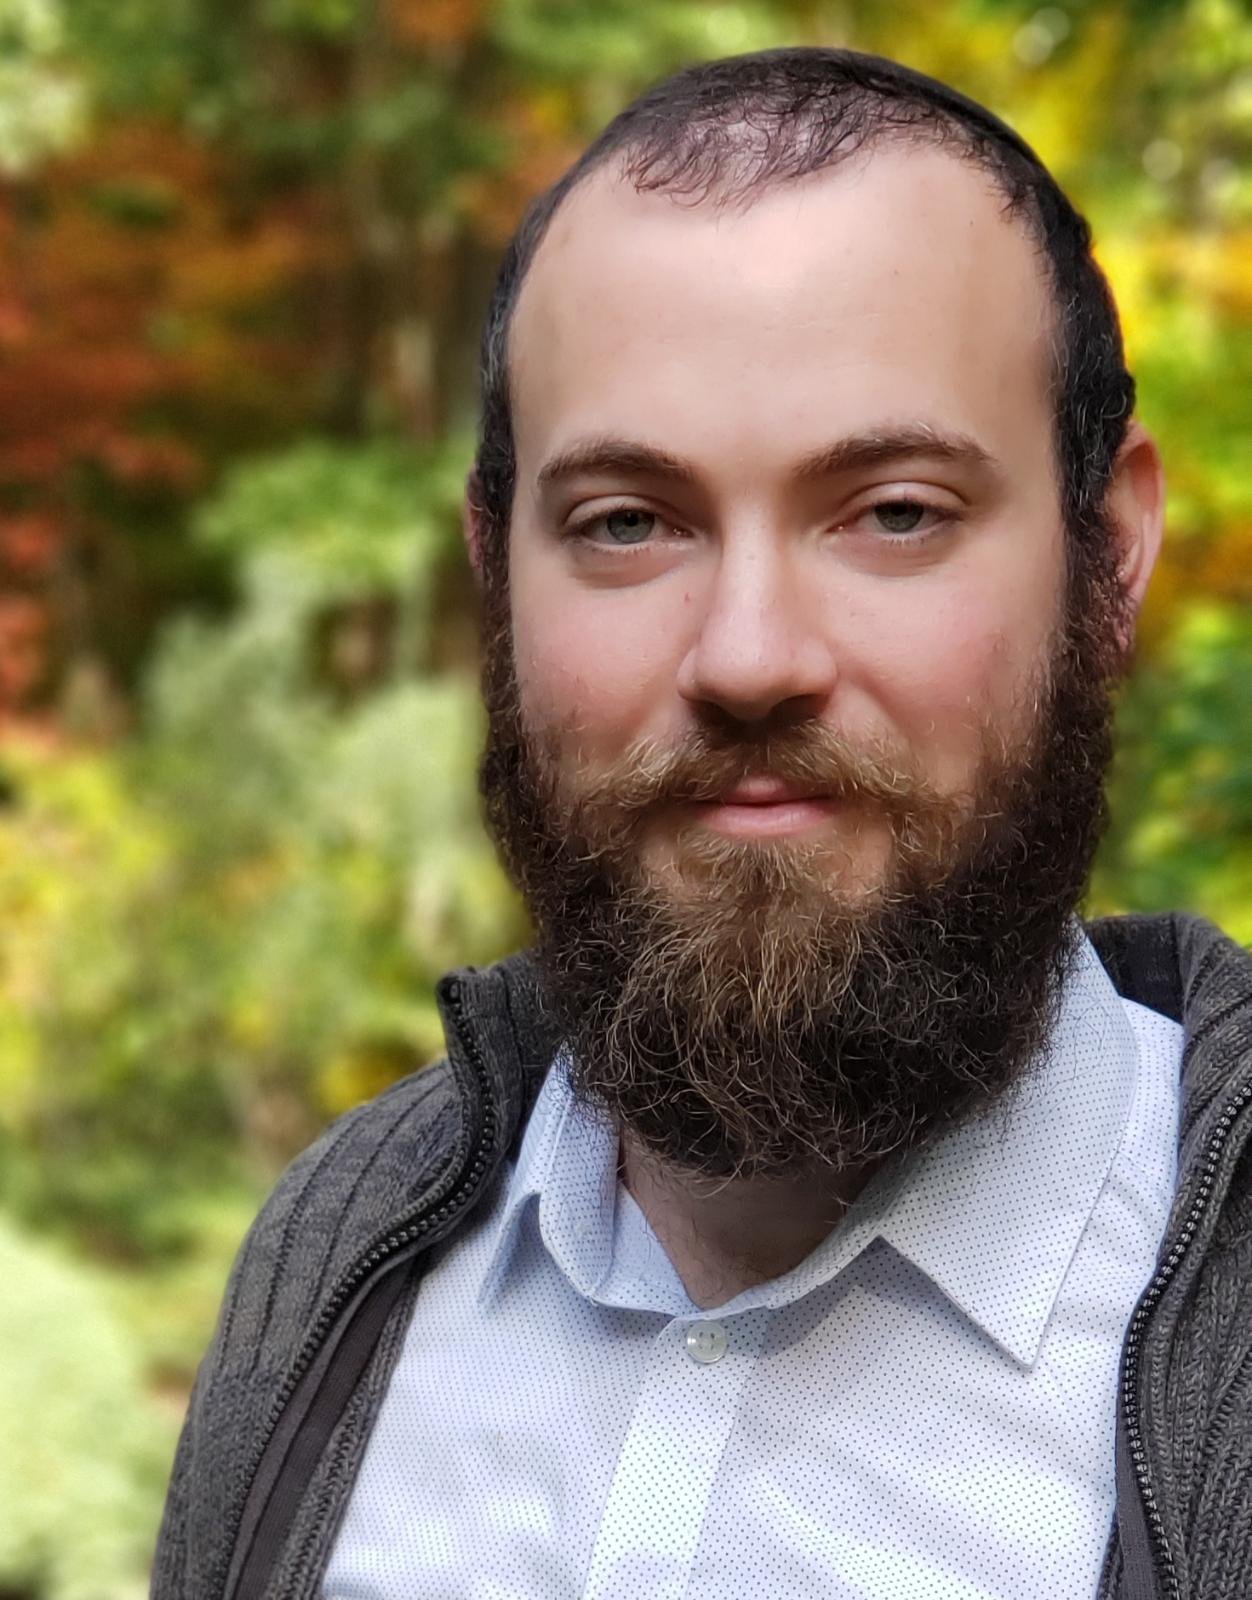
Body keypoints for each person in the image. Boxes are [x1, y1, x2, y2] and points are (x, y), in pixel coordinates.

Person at [151, 48, 1252, 1600]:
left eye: (895, 513)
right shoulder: (339, 1262)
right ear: (494, 569)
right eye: (627, 524)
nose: (747, 655)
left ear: (1112, 553)